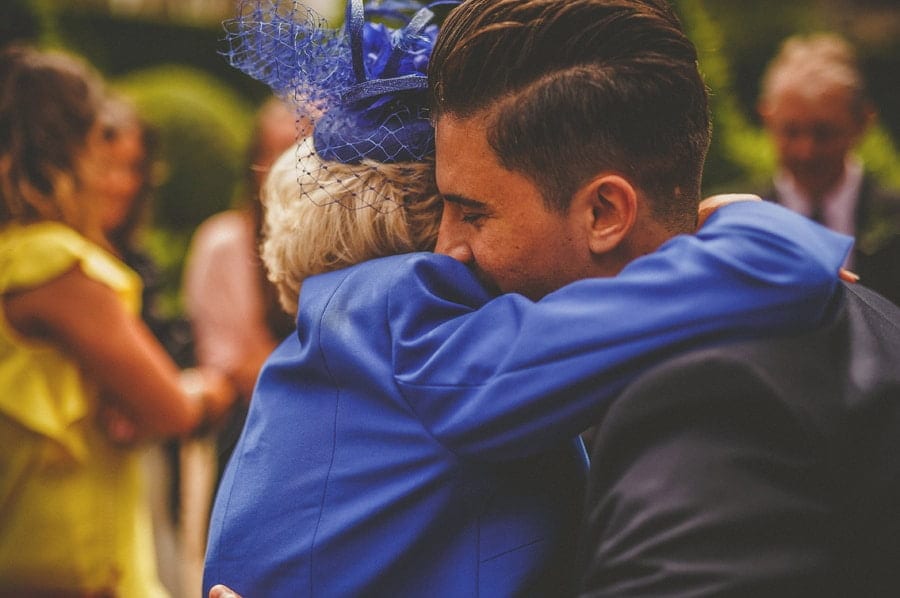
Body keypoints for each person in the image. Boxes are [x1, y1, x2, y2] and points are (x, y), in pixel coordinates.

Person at [203, 1, 852, 596]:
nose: (455, 248)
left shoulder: (345, 345)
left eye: (473, 213)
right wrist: (747, 228)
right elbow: (758, 269)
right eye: (449, 211)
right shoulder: (397, 312)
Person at [0, 45, 234, 596]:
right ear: (75, 148)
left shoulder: (12, 255)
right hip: (82, 575)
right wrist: (214, 386)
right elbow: (170, 409)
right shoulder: (58, 266)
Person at [180, 95, 308, 596]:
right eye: (273, 152)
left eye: (301, 151)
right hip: (250, 432)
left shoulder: (342, 242)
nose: (286, 168)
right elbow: (235, 364)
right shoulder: (223, 243)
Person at [758, 32, 900, 305]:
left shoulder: (894, 221)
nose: (806, 151)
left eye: (823, 133)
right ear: (768, 119)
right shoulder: (735, 219)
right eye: (791, 132)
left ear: (862, 123)